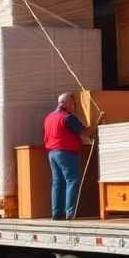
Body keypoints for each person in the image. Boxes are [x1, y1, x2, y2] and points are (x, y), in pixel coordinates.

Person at [43, 92, 86, 220]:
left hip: (52, 153)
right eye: (73, 104)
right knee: (72, 181)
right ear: (67, 103)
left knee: (57, 183)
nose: (74, 107)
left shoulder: (49, 117)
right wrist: (97, 122)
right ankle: (70, 213)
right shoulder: (67, 117)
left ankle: (56, 213)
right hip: (66, 152)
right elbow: (85, 132)